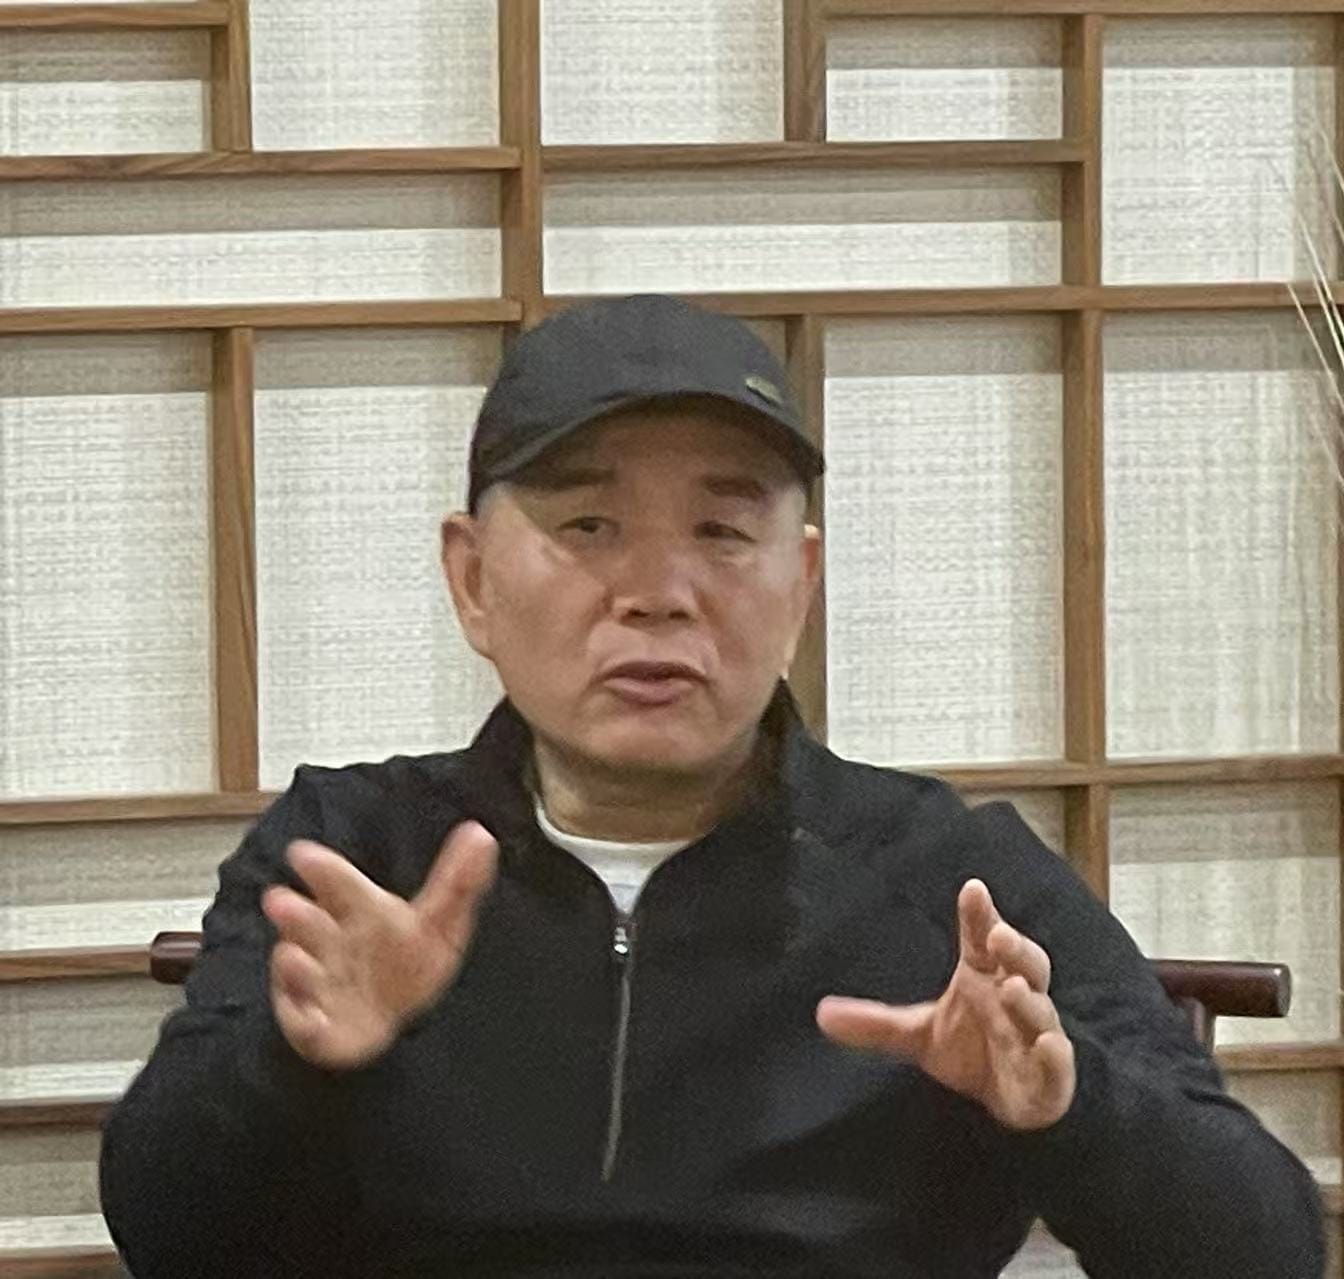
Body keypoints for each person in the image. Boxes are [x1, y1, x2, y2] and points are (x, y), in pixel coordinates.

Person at [99, 295, 1325, 1279]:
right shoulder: (354, 852)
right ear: (472, 580)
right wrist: (296, 1061)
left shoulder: (948, 879)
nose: (658, 593)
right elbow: (169, 1233)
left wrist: (1069, 1106)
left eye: (722, 534)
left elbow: (1264, 1247)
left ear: (801, 585)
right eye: (588, 526)